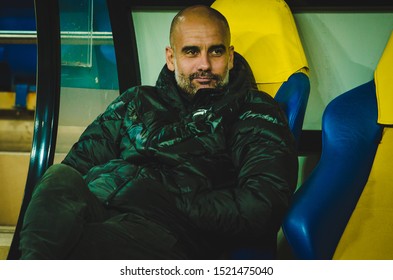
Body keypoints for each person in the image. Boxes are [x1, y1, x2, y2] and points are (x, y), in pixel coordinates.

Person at [19, 5, 298, 260]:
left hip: (169, 231)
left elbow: (263, 203)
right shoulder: (136, 101)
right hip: (100, 204)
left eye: (215, 51)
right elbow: (77, 166)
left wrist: (173, 201)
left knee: (74, 249)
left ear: (231, 57)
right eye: (191, 51)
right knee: (58, 178)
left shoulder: (253, 110)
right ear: (171, 57)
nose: (204, 64)